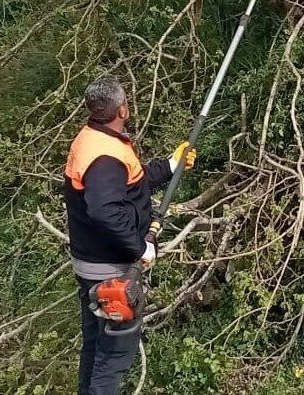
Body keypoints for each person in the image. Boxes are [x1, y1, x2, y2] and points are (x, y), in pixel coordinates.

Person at [63, 76, 196, 395]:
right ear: (123, 109)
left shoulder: (93, 139)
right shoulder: (106, 157)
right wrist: (139, 247)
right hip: (110, 274)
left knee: (95, 349)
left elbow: (131, 186)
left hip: (90, 266)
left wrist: (171, 164)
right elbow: (104, 210)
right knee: (113, 357)